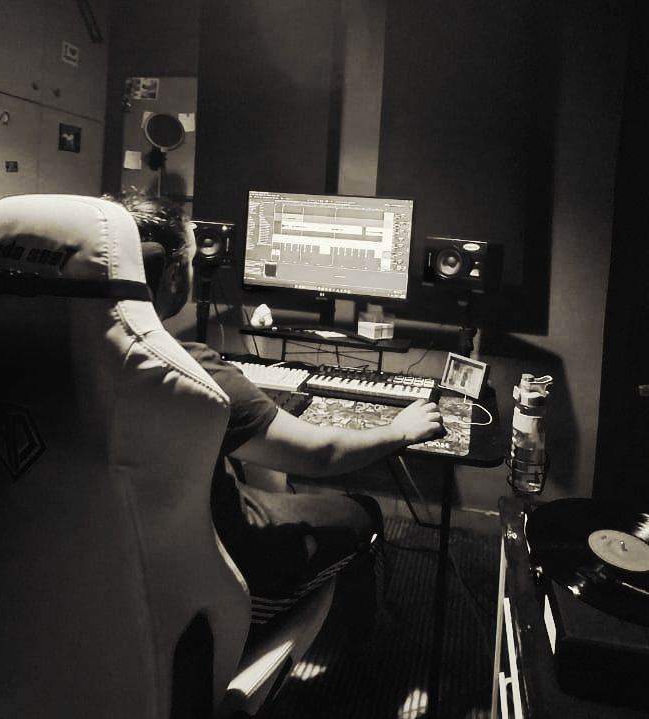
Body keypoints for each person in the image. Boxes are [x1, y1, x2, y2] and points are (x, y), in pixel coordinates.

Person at [112, 192, 444, 641]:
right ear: (172, 276)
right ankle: (362, 658)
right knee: (362, 510)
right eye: (191, 263)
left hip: (116, 571)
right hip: (229, 575)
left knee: (256, 475)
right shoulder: (191, 371)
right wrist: (399, 430)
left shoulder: (46, 356)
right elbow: (322, 455)